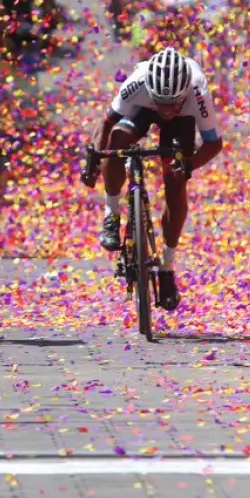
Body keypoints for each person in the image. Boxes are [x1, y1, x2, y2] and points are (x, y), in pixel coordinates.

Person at [81, 46, 224, 310]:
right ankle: (111, 215)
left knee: (175, 181)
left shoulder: (197, 90)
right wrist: (93, 162)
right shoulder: (138, 83)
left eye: (172, 104)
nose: (167, 111)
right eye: (162, 103)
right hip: (142, 111)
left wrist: (189, 165)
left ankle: (167, 269)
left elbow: (214, 144)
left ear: (184, 95)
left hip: (184, 122)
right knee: (117, 141)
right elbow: (105, 125)